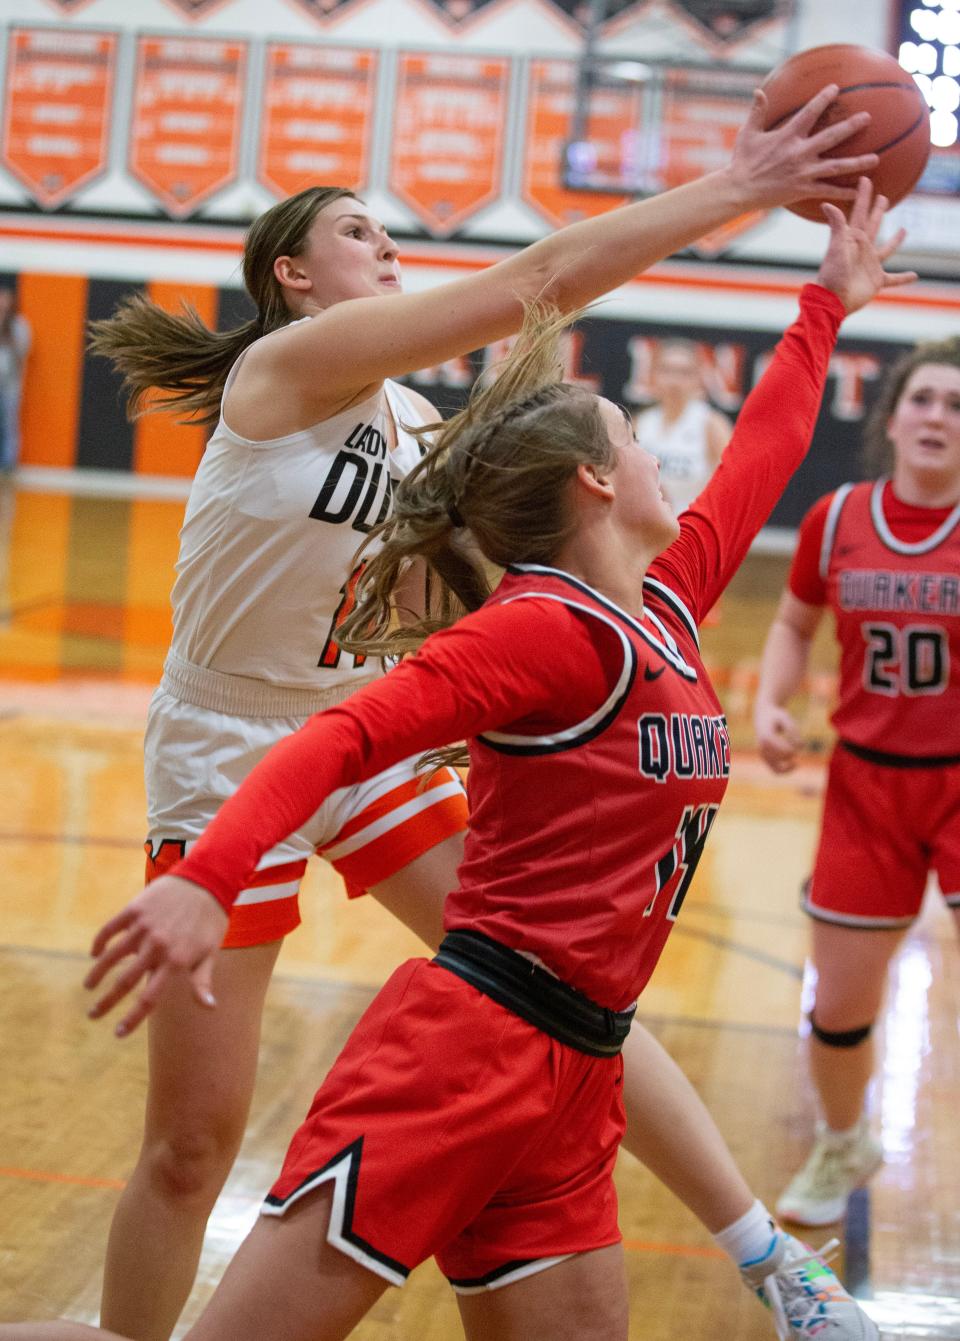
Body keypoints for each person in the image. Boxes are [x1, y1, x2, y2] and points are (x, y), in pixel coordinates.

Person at [1, 178, 910, 1341]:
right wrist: (749, 185)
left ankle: (771, 1257)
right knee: (190, 1146)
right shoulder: (277, 376)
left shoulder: (418, 426)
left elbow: (500, 577)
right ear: (293, 275)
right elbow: (534, 286)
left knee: (561, 982)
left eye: (386, 232)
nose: (384, 245)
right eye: (354, 233)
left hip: (356, 725)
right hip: (232, 743)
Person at [754, 333, 960, 1230]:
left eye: (957, 406)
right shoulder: (838, 517)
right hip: (865, 787)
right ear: (893, 416)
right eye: (923, 400)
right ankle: (845, 1141)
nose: (938, 418)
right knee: (838, 1006)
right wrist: (770, 700)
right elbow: (795, 622)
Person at [633, 339, 733, 517]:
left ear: (698, 378)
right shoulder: (641, 423)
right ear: (654, 374)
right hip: (645, 527)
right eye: (667, 370)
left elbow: (729, 488)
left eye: (684, 372)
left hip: (690, 526)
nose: (674, 380)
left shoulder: (711, 425)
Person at [0, 285, 31, 474]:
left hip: (10, 385)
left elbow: (23, 352)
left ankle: (9, 463)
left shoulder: (19, 326)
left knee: (9, 423)